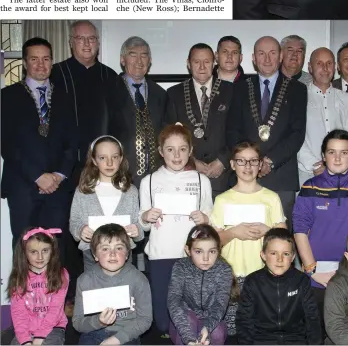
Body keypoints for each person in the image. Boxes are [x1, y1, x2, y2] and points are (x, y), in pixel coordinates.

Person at [1, 38, 77, 256]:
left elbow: (73, 143)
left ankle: (54, 291)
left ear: (52, 62)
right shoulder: (6, 97)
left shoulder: (66, 96)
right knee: (25, 249)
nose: (41, 64)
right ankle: (23, 292)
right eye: (34, 59)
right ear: (25, 62)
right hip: (23, 187)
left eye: (46, 59)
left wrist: (59, 175)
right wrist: (37, 176)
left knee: (56, 249)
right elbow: (6, 144)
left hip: (58, 188)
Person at [139, 124, 212, 337]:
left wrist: (204, 219)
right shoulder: (149, 181)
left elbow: (211, 217)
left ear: (190, 151)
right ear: (161, 152)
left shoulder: (201, 180)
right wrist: (146, 217)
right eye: (170, 149)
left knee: (191, 313)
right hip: (161, 254)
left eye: (182, 149)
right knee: (162, 322)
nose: (177, 155)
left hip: (192, 256)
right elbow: (142, 223)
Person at [227, 37, 307, 223]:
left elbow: (297, 133)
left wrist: (269, 161)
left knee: (280, 241)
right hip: (245, 175)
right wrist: (250, 161)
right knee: (245, 236)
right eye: (261, 54)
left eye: (272, 53)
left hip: (281, 176)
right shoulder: (238, 89)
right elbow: (232, 130)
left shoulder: (297, 89)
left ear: (280, 57)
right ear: (254, 58)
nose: (267, 59)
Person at [293, 131, 348, 307]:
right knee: (315, 330)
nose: (337, 158)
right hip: (316, 275)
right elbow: (299, 231)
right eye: (331, 152)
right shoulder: (309, 188)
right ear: (323, 156)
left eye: (344, 153)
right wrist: (311, 271)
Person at [210, 141, 286, 283]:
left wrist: (268, 231)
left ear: (260, 164)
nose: (247, 166)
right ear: (232, 164)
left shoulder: (272, 198)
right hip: (231, 276)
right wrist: (233, 232)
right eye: (241, 161)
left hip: (265, 273)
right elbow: (213, 242)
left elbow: (284, 239)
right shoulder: (222, 200)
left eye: (253, 161)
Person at [107, 36, 175, 188]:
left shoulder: (160, 94)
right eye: (133, 55)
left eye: (144, 55)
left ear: (149, 61)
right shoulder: (108, 92)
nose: (139, 61)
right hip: (120, 174)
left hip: (156, 177)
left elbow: (167, 134)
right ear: (122, 60)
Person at [51, 21, 117, 176]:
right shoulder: (55, 73)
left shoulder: (110, 76)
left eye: (92, 38)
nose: (87, 43)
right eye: (81, 38)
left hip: (102, 164)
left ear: (98, 43)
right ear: (71, 42)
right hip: (62, 165)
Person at [167, 43, 234, 196]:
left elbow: (238, 132)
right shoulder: (173, 94)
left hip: (224, 177)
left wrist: (223, 161)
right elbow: (169, 137)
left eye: (207, 62)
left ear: (215, 62)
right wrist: (191, 161)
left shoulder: (231, 91)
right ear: (188, 64)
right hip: (187, 176)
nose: (202, 67)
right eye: (197, 62)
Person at [236, 228, 322, 345]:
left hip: (295, 340)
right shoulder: (253, 282)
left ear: (292, 258)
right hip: (262, 340)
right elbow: (244, 321)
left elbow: (312, 319)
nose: (279, 259)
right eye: (273, 253)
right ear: (263, 255)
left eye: (285, 254)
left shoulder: (301, 281)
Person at [69, 136, 142, 270]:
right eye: (102, 158)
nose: (109, 163)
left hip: (123, 253)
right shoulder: (83, 191)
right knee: (94, 289)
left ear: (120, 159)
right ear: (94, 161)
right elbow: (74, 221)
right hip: (91, 253)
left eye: (114, 157)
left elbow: (138, 223)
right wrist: (80, 230)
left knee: (124, 289)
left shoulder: (131, 191)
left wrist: (137, 230)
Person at [73, 224, 152, 345]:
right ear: (95, 255)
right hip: (93, 332)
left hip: (127, 333)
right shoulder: (85, 281)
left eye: (119, 248)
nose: (112, 253)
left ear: (127, 254)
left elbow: (145, 319)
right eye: (105, 249)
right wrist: (99, 322)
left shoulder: (138, 279)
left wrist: (117, 339)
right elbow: (78, 322)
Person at [167, 225, 236, 346]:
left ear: (218, 250)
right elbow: (174, 300)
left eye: (212, 251)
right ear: (188, 250)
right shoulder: (180, 267)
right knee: (187, 326)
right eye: (198, 251)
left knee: (217, 333)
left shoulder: (224, 270)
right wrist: (188, 337)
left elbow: (220, 304)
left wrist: (207, 328)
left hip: (212, 318)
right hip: (185, 317)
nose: (205, 258)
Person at [297, 51, 348, 185]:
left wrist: (336, 163)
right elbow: (295, 136)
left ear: (335, 67)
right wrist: (315, 165)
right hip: (307, 173)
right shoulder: (299, 97)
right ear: (310, 67)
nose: (325, 68)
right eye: (319, 63)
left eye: (329, 63)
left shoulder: (345, 99)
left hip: (340, 173)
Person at [4, 228, 69, 346]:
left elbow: (56, 309)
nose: (40, 257)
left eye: (45, 250)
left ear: (52, 251)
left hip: (53, 328)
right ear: (24, 253)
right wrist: (25, 340)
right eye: (33, 252)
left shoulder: (61, 274)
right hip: (26, 330)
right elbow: (19, 313)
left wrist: (40, 335)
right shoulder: (19, 277)